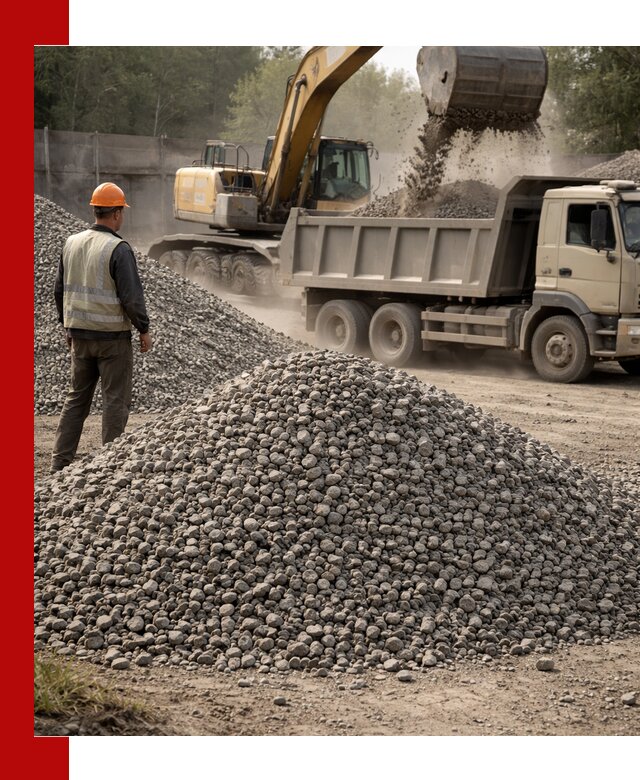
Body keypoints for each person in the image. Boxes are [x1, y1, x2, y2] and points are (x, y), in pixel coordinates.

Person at [50, 182, 153, 473]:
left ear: (95, 210)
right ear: (117, 213)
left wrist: (67, 326)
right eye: (122, 212)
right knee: (115, 401)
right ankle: (110, 468)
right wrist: (143, 329)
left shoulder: (71, 243)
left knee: (76, 399)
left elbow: (59, 291)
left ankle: (59, 463)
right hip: (112, 341)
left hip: (79, 337)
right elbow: (131, 297)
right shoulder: (118, 248)